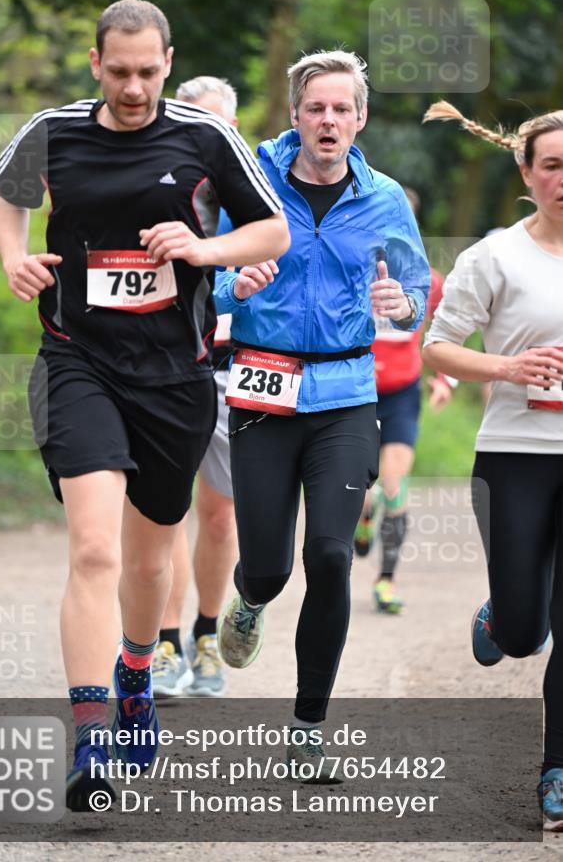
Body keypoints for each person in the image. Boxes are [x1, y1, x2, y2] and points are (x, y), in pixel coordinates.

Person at [0, 0, 289, 811]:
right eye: (117, 72)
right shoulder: (55, 129)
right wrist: (14, 256)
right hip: (76, 360)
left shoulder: (203, 135)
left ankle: (135, 668)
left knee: (154, 555)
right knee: (93, 549)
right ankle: (90, 738)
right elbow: (3, 193)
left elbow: (271, 233)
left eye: (148, 72)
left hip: (174, 374)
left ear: (167, 60)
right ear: (94, 64)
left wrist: (203, 248)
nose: (132, 87)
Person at [214, 49, 430, 780]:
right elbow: (204, 275)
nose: (328, 120)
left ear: (359, 119)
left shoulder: (385, 199)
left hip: (344, 396)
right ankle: (248, 597)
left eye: (342, 109)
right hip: (261, 393)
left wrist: (400, 305)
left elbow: (414, 289)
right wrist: (232, 285)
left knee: (332, 556)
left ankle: (308, 728)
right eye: (316, 108)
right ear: (295, 115)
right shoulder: (252, 183)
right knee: (272, 569)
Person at [421, 101, 563, 831]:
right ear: (525, 171)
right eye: (552, 165)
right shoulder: (495, 256)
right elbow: (437, 348)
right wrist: (506, 365)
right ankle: (504, 618)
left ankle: (556, 773)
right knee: (521, 630)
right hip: (513, 455)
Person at [152, 76, 277, 698]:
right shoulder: (152, 180)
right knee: (163, 508)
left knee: (221, 515)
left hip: (234, 363)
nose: (207, 135)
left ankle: (206, 634)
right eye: (195, 121)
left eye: (220, 124)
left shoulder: (251, 189)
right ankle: (164, 643)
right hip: (166, 363)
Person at [354, 187, 456, 614]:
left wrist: (444, 378)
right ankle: (361, 517)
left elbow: (450, 327)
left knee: (394, 489)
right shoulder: (353, 271)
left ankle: (386, 581)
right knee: (362, 494)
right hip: (355, 394)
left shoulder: (428, 281)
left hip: (400, 393)